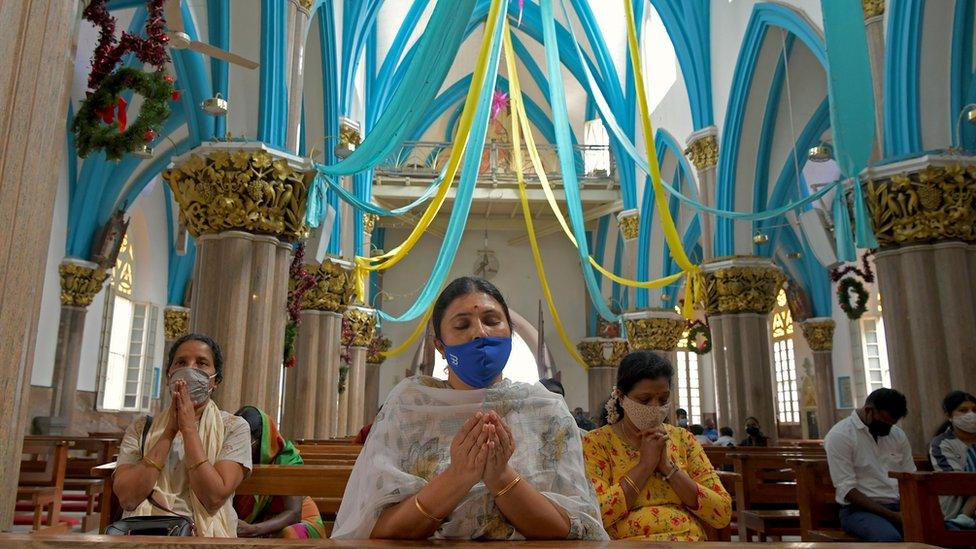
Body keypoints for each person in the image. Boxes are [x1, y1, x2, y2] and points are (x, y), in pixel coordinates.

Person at [331, 277, 607, 540]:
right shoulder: (410, 407)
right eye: (462, 325)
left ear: (509, 332)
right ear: (440, 345)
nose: (480, 333)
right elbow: (380, 529)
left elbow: (570, 528)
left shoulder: (546, 411)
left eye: (491, 321)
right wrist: (458, 476)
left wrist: (500, 477)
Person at [582, 351, 732, 541]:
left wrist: (668, 468)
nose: (654, 407)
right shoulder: (597, 443)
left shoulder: (683, 439)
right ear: (621, 397)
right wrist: (645, 465)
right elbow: (595, 514)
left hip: (688, 541)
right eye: (644, 400)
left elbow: (721, 513)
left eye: (662, 399)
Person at [113, 333, 251, 537]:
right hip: (145, 532)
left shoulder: (234, 427)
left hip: (203, 536)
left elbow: (213, 498)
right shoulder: (142, 427)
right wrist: (169, 431)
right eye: (181, 362)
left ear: (216, 381)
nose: (189, 369)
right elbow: (128, 497)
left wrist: (188, 429)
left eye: (202, 363)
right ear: (169, 374)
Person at [824, 388, 915, 542]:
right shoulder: (840, 435)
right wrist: (894, 516)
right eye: (884, 422)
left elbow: (910, 476)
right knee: (889, 539)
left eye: (892, 424)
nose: (888, 429)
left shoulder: (897, 435)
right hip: (859, 511)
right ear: (868, 410)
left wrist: (911, 510)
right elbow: (847, 490)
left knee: (943, 531)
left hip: (899, 506)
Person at [233, 406, 327, 539]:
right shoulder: (233, 456)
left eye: (247, 443)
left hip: (296, 522)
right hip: (258, 522)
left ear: (262, 441)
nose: (240, 449)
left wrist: (252, 529)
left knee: (290, 534)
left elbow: (294, 514)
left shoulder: (287, 458)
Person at [929, 390, 976, 529]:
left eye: (974, 410)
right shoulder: (942, 444)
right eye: (963, 410)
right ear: (949, 415)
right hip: (956, 512)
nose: (971, 415)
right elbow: (957, 481)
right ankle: (965, 516)